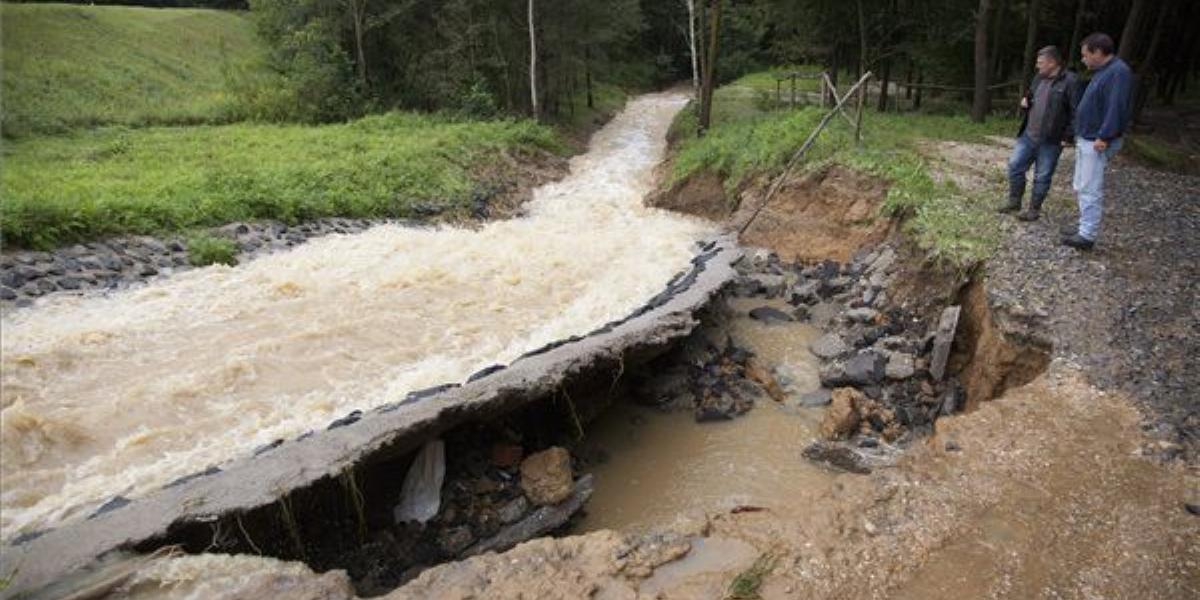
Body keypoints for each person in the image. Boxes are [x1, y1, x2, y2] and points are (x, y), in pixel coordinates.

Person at [1062, 32, 1134, 250]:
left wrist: (1105, 135)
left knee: (1090, 186)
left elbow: (1116, 106)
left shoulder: (1118, 73)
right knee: (1082, 184)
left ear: (1098, 52)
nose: (1083, 59)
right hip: (1088, 137)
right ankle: (1084, 226)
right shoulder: (1104, 71)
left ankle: (1087, 235)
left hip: (1097, 139)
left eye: (1085, 55)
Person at [1000, 46, 1078, 222]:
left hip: (1051, 139)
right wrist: (1025, 102)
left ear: (1052, 62)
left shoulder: (1070, 81)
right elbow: (1030, 97)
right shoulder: (1038, 78)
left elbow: (1076, 111)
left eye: (1040, 62)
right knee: (1015, 166)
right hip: (1028, 134)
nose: (1037, 66)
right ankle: (1014, 201)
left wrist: (1069, 136)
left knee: (1042, 175)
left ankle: (1034, 209)